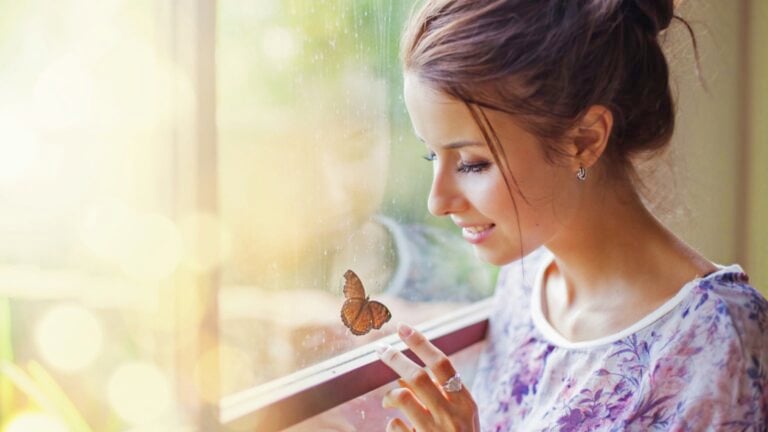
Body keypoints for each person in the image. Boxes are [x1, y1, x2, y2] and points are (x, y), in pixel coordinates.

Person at [375, 0, 768, 430]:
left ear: (583, 140)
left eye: (472, 163)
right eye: (431, 154)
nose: (437, 201)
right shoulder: (525, 282)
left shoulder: (716, 339)